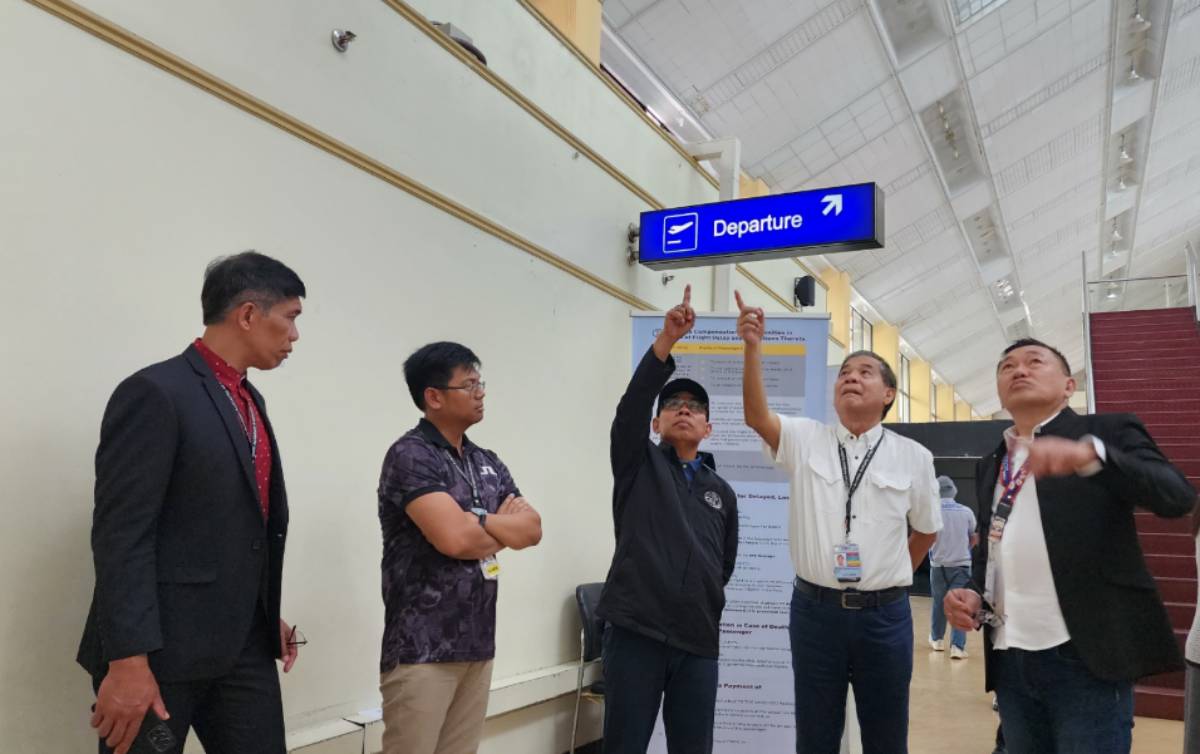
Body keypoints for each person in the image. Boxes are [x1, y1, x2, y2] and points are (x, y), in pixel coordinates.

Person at [78, 251, 306, 754]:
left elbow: (233, 524)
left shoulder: (248, 399)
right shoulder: (156, 393)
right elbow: (122, 534)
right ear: (248, 314)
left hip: (242, 645)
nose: (295, 336)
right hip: (159, 656)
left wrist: (261, 607)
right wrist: (129, 660)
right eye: (290, 318)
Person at [945, 338, 1195, 754]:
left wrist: (1090, 457)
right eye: (1007, 366)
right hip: (1009, 656)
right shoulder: (992, 462)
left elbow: (1177, 497)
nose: (1018, 370)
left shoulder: (1106, 433)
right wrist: (973, 590)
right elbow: (992, 548)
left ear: (1068, 385)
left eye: (1034, 361)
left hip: (1084, 656)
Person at [736, 291, 941, 754]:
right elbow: (756, 416)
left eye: (865, 372)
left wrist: (885, 577)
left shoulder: (914, 457)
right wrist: (752, 348)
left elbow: (927, 529)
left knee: (887, 737)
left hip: (884, 618)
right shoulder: (806, 439)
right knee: (815, 736)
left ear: (889, 394)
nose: (851, 377)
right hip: (814, 614)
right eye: (845, 373)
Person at [376, 341, 543, 754]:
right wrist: (498, 525)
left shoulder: (485, 459)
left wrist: (478, 520)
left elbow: (533, 529)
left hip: (478, 644)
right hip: (421, 647)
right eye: (468, 385)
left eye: (480, 383)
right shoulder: (411, 455)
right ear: (433, 397)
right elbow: (454, 539)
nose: (480, 392)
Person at [597, 284, 739, 754]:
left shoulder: (722, 492)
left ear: (708, 428)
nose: (684, 410)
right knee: (624, 746)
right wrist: (665, 342)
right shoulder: (638, 463)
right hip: (636, 633)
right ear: (657, 424)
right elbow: (629, 410)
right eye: (674, 405)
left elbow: (724, 565)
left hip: (698, 641)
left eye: (695, 408)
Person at [927, 475, 977, 659]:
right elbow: (973, 536)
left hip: (938, 566)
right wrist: (965, 548)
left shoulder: (932, 511)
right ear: (953, 490)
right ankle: (957, 647)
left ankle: (937, 639)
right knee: (960, 605)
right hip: (961, 565)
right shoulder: (966, 512)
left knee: (939, 603)